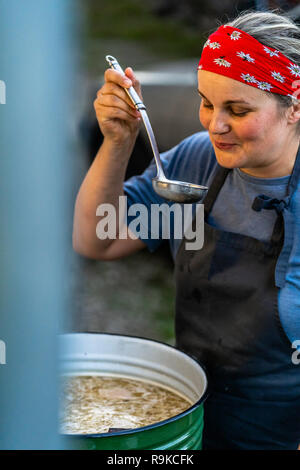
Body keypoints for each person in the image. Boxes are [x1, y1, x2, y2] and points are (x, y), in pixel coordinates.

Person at [73, 10, 300, 450]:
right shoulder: (200, 162)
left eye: (238, 109)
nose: (214, 125)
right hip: (189, 421)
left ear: (294, 106)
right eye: (207, 102)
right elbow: (96, 239)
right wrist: (118, 142)